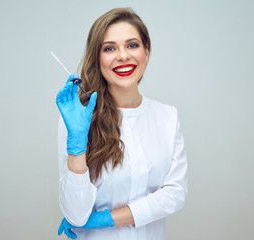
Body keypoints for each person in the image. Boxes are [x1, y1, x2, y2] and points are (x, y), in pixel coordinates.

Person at [56, 7, 187, 240]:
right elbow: (76, 215)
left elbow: (175, 194)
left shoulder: (168, 117)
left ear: (147, 51)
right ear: (97, 58)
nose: (123, 55)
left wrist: (106, 218)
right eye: (109, 48)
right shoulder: (78, 121)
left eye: (132, 45)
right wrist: (77, 143)